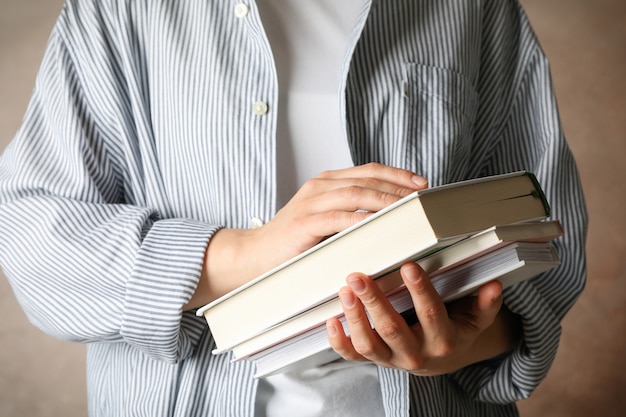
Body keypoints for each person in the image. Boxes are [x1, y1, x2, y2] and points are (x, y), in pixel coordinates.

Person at [0, 1, 587, 416]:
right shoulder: (114, 12)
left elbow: (545, 247)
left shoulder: (477, 11)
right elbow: (31, 234)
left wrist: (460, 344)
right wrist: (248, 253)